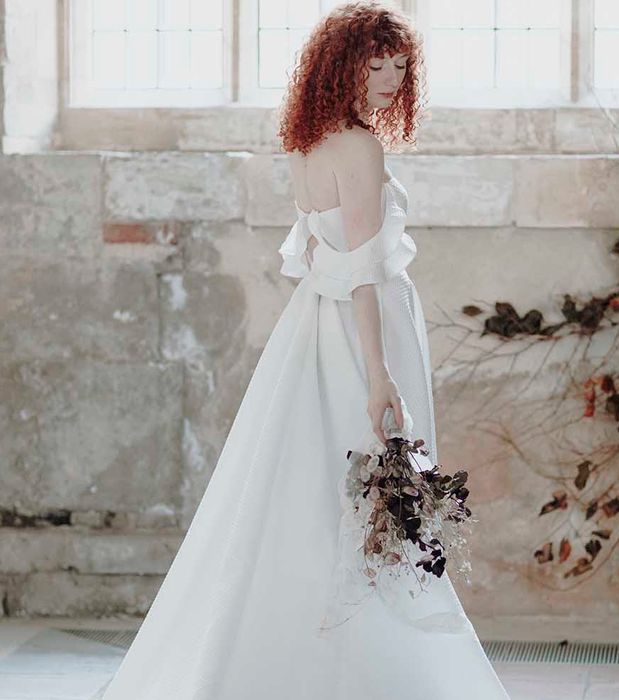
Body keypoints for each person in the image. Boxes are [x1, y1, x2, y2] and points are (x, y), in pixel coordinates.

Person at [100, 2, 511, 698]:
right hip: (362, 330)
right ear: (342, 64)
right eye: (374, 63)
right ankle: (372, 670)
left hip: (313, 327)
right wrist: (379, 376)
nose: (389, 77)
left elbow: (319, 253)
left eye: (399, 64)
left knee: (311, 495)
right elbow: (364, 273)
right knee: (374, 493)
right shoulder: (359, 148)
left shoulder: (307, 142)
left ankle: (299, 662)